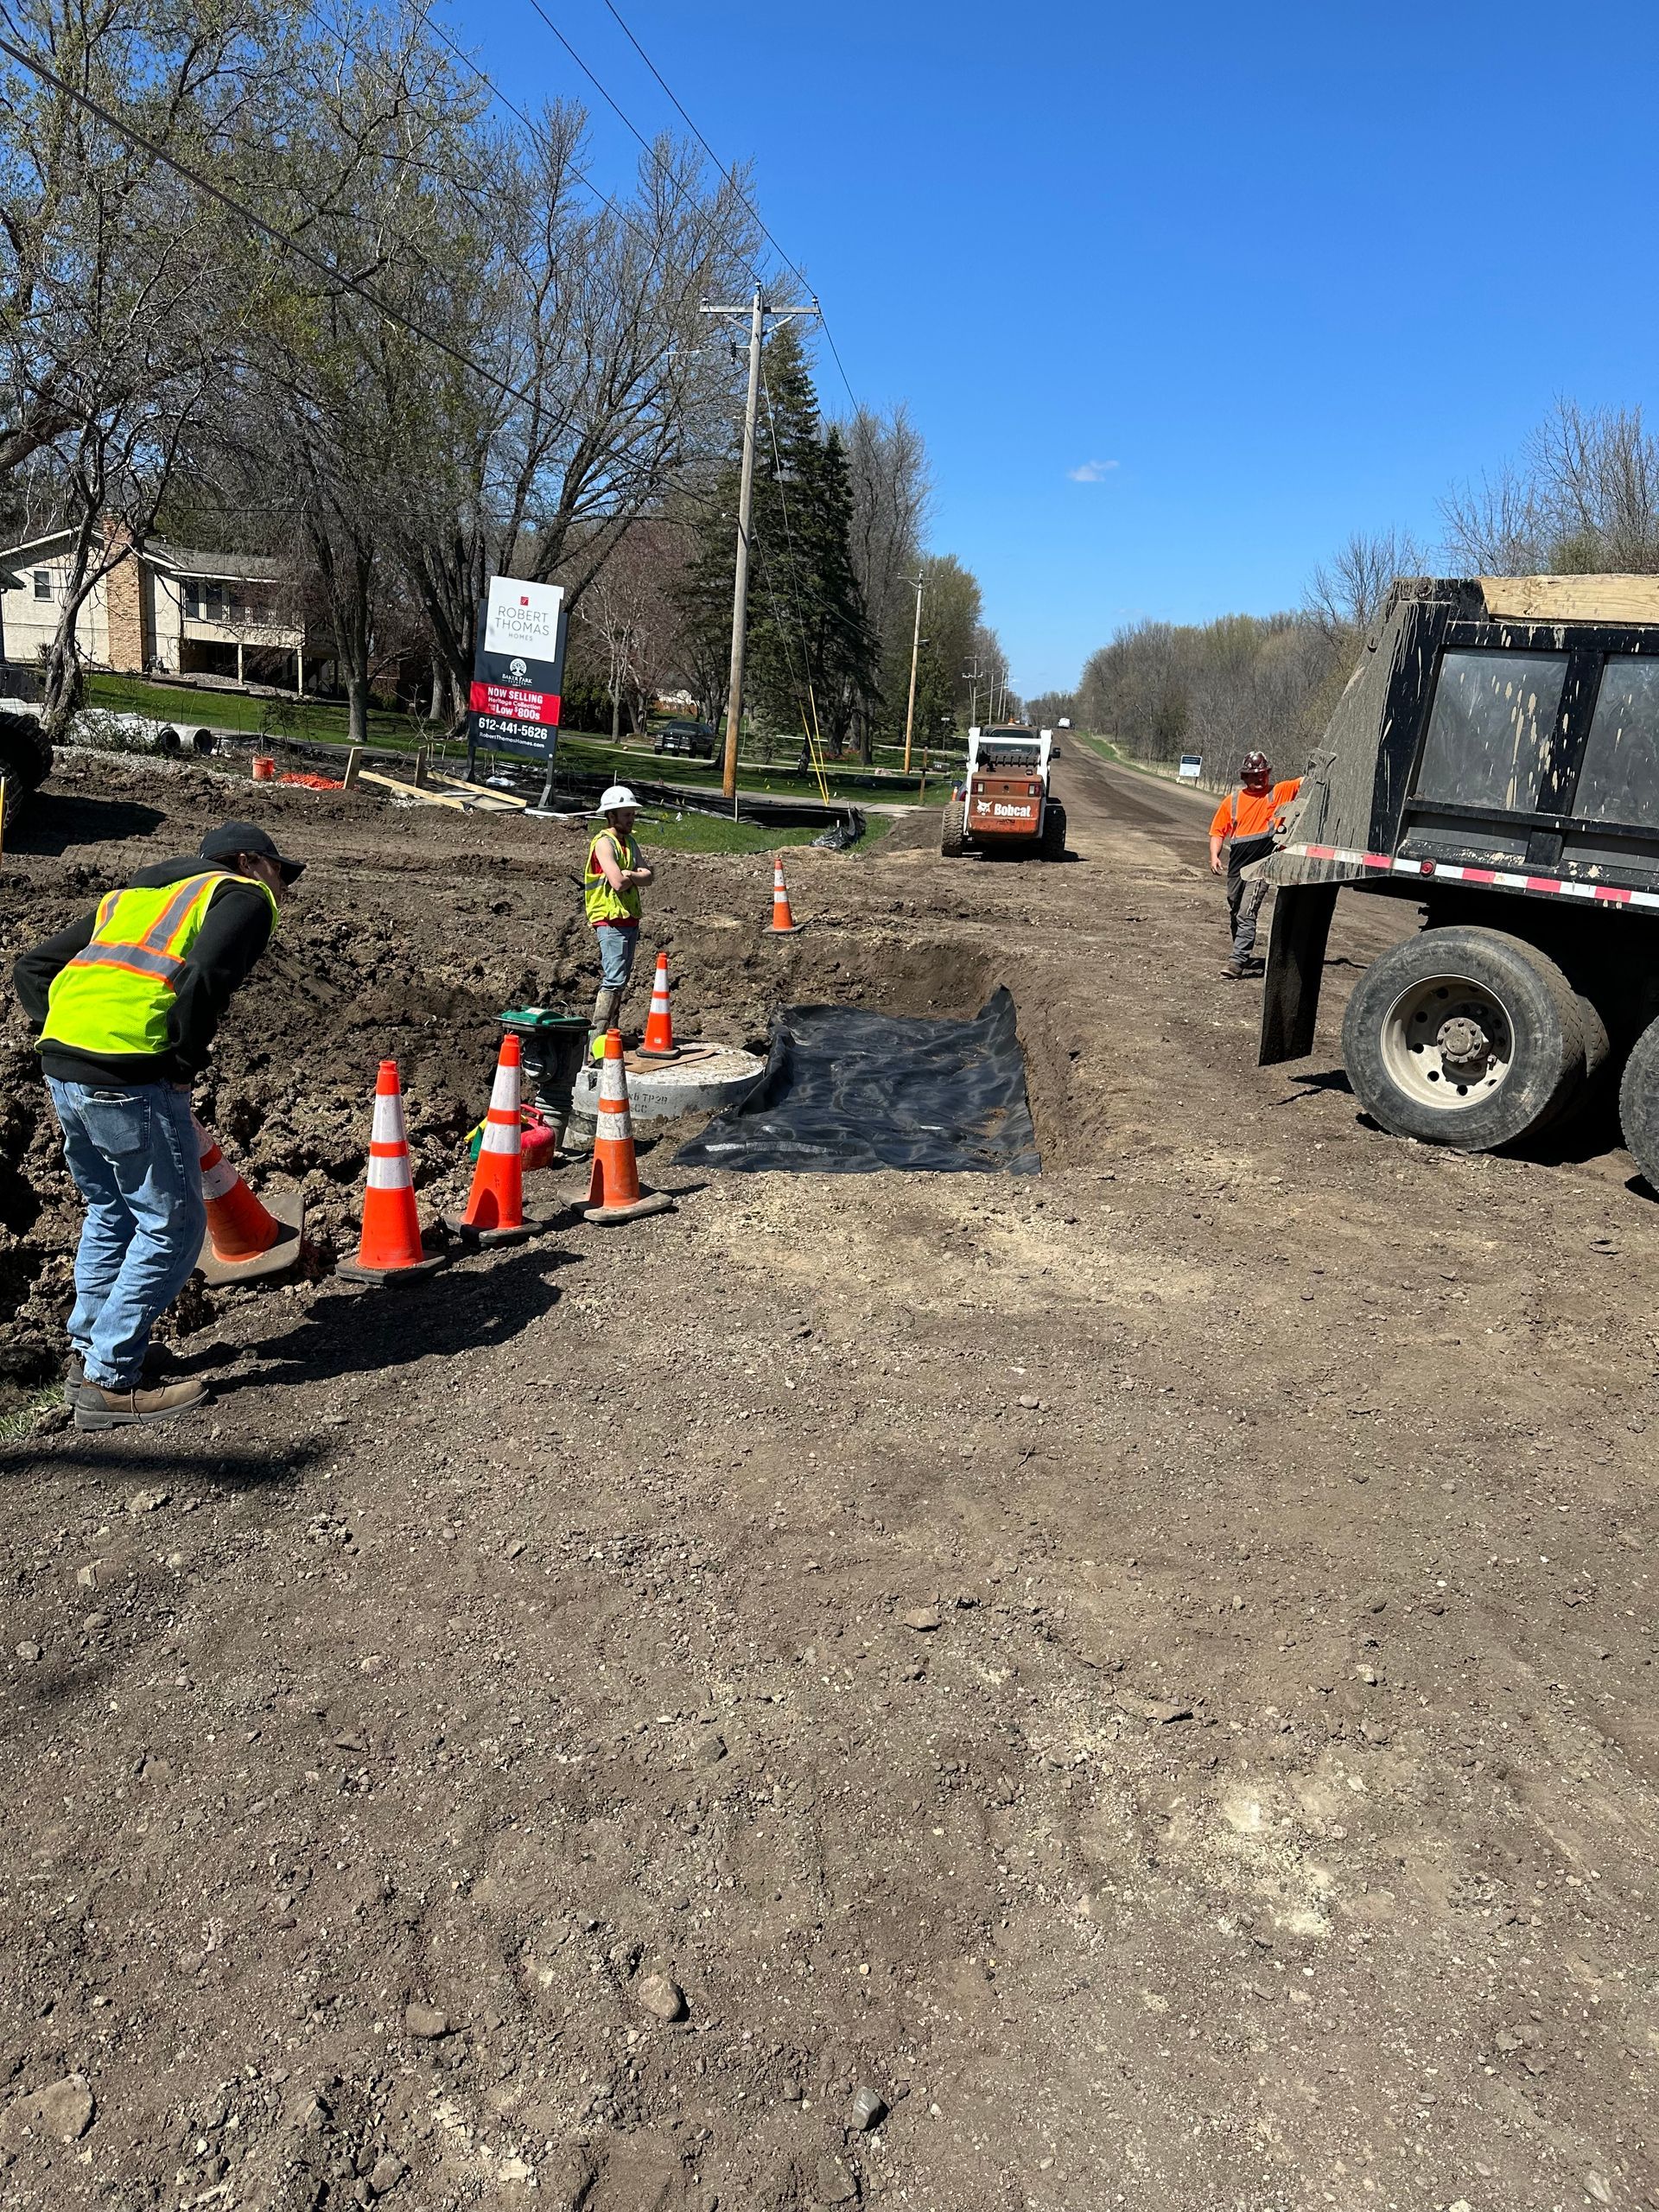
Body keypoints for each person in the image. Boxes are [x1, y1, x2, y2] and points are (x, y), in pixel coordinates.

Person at [13, 820, 303, 1430]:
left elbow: (34, 967)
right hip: (130, 1074)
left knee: (111, 1212)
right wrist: (181, 1063)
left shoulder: (134, 898)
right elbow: (207, 977)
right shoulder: (243, 894)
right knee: (174, 1225)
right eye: (281, 871)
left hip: (65, 1067)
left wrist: (65, 1035)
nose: (283, 886)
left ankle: (91, 1355)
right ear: (249, 861)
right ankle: (110, 1380)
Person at [1209, 751, 1301, 980]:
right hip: (1237, 867)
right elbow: (1217, 832)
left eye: (1263, 774)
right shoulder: (1232, 801)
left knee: (1246, 912)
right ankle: (1240, 950)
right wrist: (1214, 856)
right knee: (1235, 908)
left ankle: (1237, 962)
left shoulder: (1279, 792)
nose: (1260, 778)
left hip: (1262, 866)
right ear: (1245, 777)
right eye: (1254, 775)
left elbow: (1305, 781)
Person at [584, 785, 653, 1053]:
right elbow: (617, 882)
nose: (631, 819)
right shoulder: (604, 843)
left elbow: (648, 876)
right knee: (613, 980)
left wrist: (632, 874)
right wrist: (633, 875)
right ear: (611, 815)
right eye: (626, 815)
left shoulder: (630, 843)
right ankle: (596, 1043)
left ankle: (611, 1036)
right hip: (609, 918)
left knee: (620, 979)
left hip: (628, 918)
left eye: (632, 814)